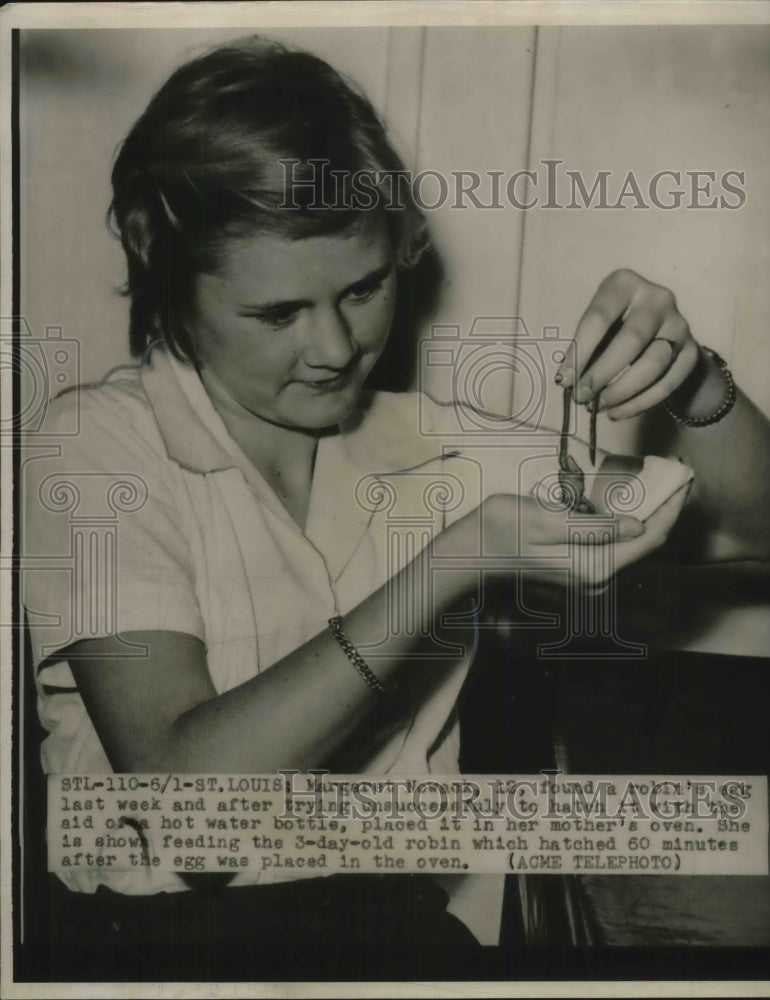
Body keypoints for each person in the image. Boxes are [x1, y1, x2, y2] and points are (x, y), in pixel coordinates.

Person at [21, 35, 770, 982]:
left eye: (365, 289)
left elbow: (752, 526)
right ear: (164, 272)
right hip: (153, 951)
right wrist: (449, 564)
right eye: (277, 313)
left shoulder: (447, 449)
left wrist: (691, 375)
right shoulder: (93, 446)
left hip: (392, 931)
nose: (335, 347)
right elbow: (184, 808)